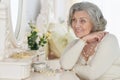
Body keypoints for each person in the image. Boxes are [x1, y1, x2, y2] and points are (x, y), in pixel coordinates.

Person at [60, 2, 120, 80]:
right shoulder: (76, 43)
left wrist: (73, 67)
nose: (76, 25)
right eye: (74, 20)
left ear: (94, 22)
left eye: (82, 21)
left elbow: (92, 74)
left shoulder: (109, 40)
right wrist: (83, 40)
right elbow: (65, 65)